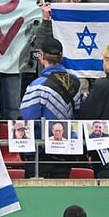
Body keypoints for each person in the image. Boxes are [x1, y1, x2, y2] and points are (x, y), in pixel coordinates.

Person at [20, 38, 82, 178]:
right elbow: (77, 113)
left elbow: (28, 120)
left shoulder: (37, 85)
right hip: (66, 151)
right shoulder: (76, 82)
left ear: (41, 56)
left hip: (40, 153)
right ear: (61, 56)